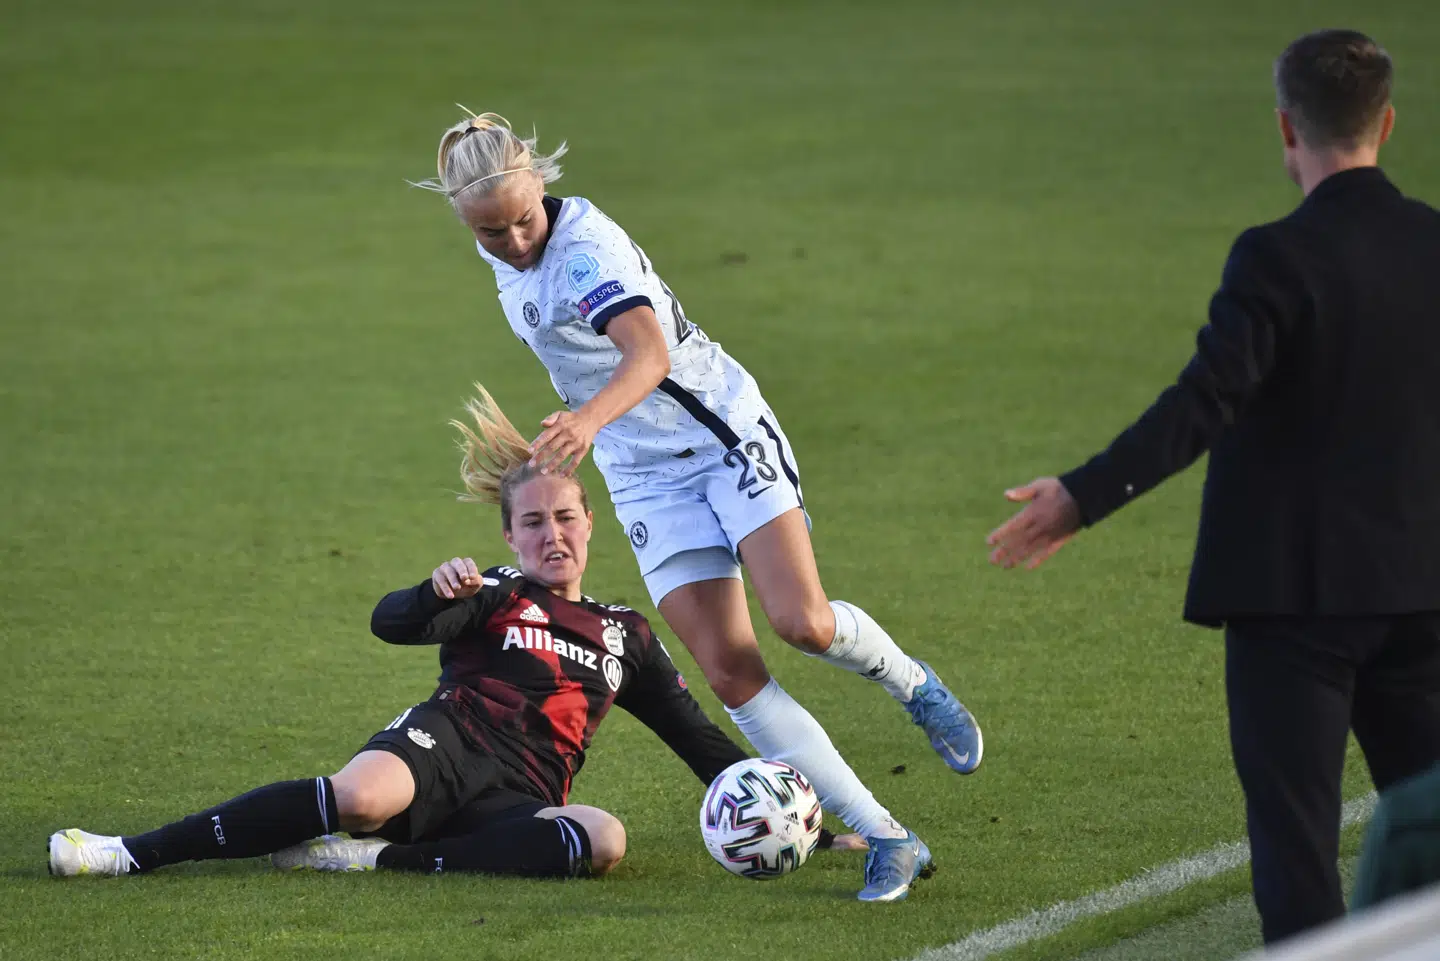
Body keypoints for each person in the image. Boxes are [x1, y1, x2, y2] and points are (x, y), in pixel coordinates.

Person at [415, 110, 982, 901]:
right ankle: (887, 836)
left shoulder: (585, 252)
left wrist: (584, 420)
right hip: (644, 475)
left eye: (521, 219)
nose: (513, 241)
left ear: (542, 185)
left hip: (720, 437)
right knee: (731, 671)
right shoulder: (510, 258)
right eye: (490, 233)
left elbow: (649, 354)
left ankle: (912, 683)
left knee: (803, 623)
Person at [986, 29, 1440, 944]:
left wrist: (1080, 495)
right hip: (1421, 592)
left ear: (1285, 126)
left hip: (1291, 604)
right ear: (1386, 122)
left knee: (1296, 846)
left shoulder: (1276, 257)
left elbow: (1205, 402)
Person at [48, 389, 859, 881]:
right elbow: (390, 623)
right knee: (361, 796)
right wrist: (430, 590)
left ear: (590, 524)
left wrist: (810, 825)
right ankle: (129, 852)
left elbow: (699, 743)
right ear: (510, 536)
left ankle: (376, 861)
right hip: (445, 745)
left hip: (522, 796)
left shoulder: (626, 635)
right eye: (533, 522)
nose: (552, 535)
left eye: (565, 518)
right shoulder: (493, 593)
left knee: (602, 838)